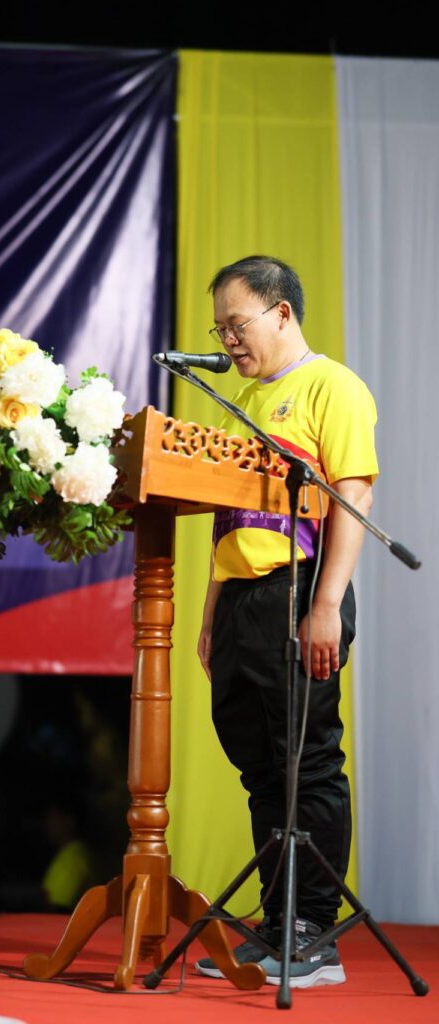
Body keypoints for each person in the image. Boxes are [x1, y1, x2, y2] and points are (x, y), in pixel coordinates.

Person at [194, 256, 378, 989]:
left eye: (236, 324)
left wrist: (326, 605)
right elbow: (227, 522)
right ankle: (278, 923)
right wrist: (212, 615)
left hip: (300, 591)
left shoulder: (332, 386)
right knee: (262, 768)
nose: (228, 341)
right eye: (220, 329)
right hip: (241, 603)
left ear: (281, 313)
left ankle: (314, 935)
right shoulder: (239, 399)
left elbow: (354, 497)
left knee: (308, 762)